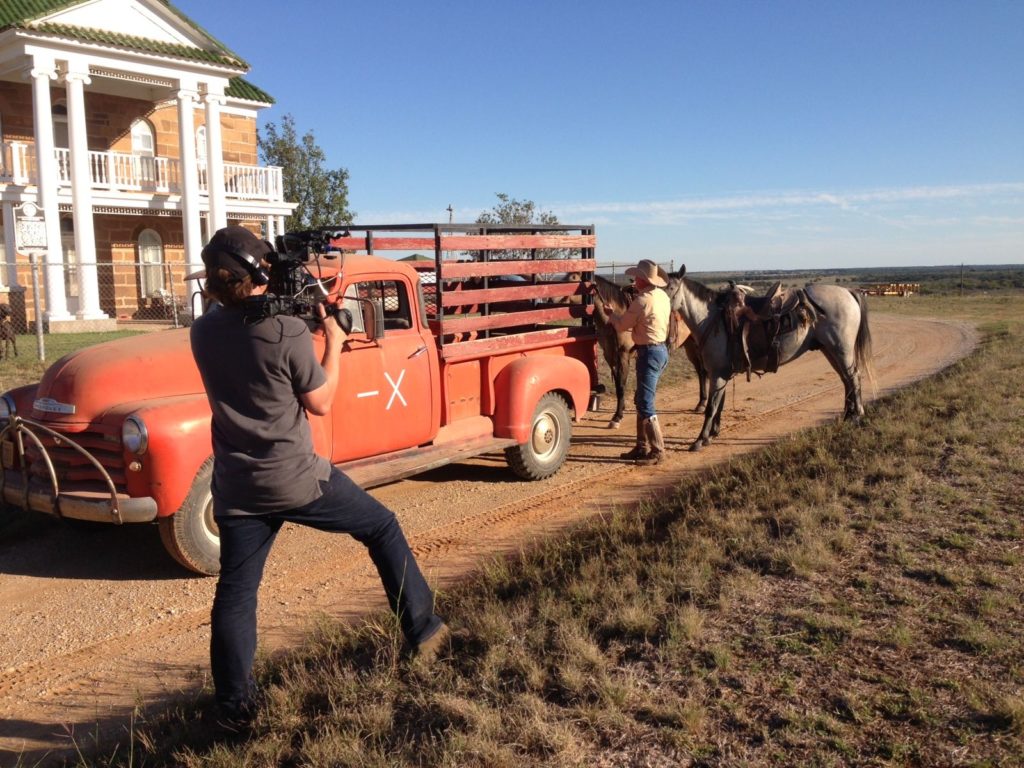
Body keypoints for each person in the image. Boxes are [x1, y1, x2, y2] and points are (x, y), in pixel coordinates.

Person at [190, 226, 448, 723]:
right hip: (296, 477)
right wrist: (333, 338)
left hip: (237, 486)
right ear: (260, 273)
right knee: (382, 527)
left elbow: (247, 329)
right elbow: (321, 402)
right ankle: (424, 630)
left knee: (237, 594)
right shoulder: (284, 332)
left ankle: (234, 708)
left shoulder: (203, 331)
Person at [609, 259, 672, 465]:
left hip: (649, 353)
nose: (634, 280)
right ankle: (641, 446)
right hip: (659, 350)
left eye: (637, 277)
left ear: (643, 280)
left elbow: (621, 326)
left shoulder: (641, 301)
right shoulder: (662, 296)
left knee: (645, 402)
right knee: (641, 398)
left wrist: (611, 315)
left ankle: (657, 450)